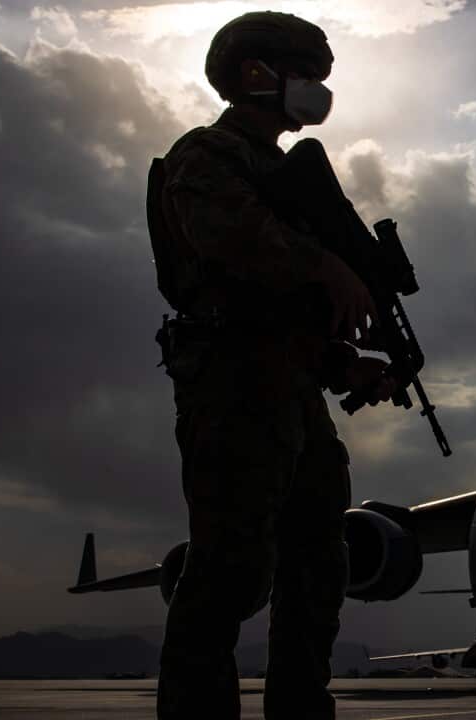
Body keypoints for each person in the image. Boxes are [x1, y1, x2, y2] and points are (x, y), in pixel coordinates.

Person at [148, 11, 392, 719]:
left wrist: (347, 367)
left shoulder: (285, 175)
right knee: (232, 572)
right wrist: (326, 266)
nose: (316, 91)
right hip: (231, 386)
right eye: (304, 76)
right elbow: (231, 242)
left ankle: (299, 707)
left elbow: (292, 309)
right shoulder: (207, 155)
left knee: (319, 566)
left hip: (292, 390)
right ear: (256, 76)